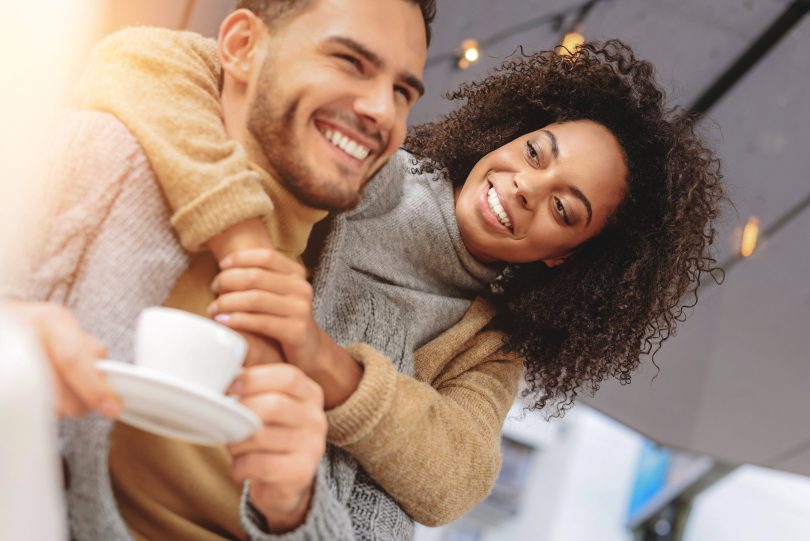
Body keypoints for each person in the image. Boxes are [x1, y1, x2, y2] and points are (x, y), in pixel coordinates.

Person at [58, 17, 722, 541]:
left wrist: (327, 362)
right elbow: (144, 61)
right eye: (534, 153)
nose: (524, 187)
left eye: (562, 207)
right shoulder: (367, 168)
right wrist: (244, 242)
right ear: (508, 134)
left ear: (566, 256)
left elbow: (454, 478)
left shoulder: (486, 340)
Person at [5, 0, 435, 539]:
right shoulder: (94, 160)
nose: (381, 110)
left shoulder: (372, 329)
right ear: (240, 47)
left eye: (403, 91)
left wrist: (296, 509)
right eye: (350, 60)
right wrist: (12, 343)